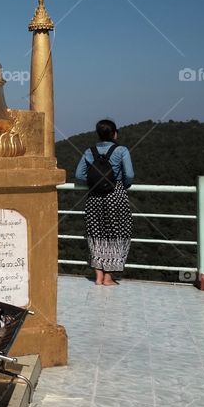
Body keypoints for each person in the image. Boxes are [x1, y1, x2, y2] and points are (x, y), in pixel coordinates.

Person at [75, 119, 134, 286]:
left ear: (98, 134)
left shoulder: (89, 151)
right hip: (115, 196)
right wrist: (121, 185)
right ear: (115, 134)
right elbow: (129, 175)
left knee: (95, 233)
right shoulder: (121, 150)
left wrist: (94, 183)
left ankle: (98, 277)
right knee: (116, 232)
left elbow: (79, 175)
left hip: (94, 197)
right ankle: (108, 277)